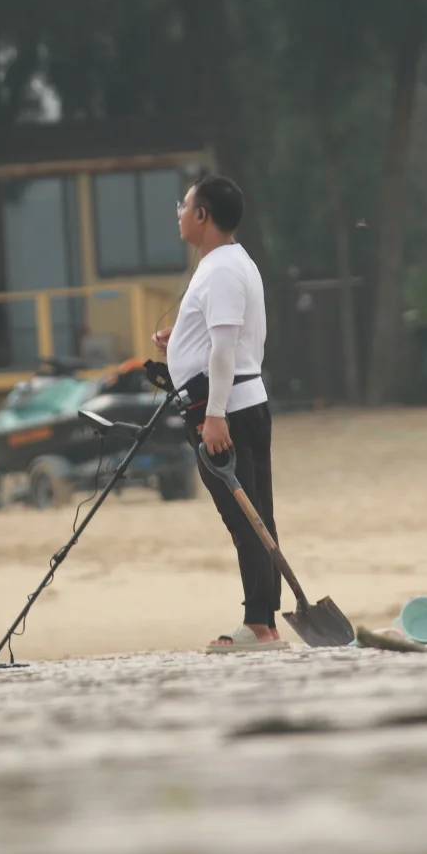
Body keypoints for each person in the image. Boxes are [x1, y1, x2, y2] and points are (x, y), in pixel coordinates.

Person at [153, 175, 282, 654]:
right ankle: (264, 618)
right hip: (236, 403)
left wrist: (216, 417)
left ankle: (259, 624)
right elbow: (219, 338)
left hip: (225, 410)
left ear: (203, 216)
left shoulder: (223, 269)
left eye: (184, 205)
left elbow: (226, 349)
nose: (179, 213)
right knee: (256, 516)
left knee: (244, 517)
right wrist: (178, 344)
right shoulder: (226, 263)